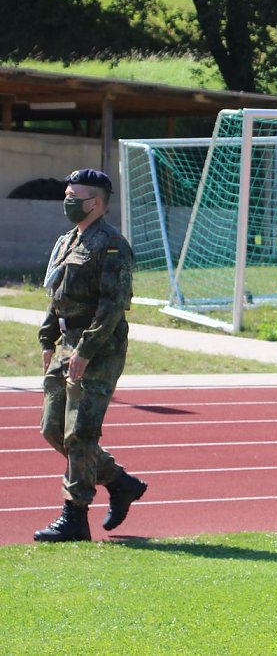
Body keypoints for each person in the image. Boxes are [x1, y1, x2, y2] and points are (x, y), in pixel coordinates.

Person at [34, 169, 147, 542]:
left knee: (79, 433)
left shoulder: (111, 244)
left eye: (75, 196)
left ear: (95, 203)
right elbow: (57, 295)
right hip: (67, 344)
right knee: (53, 429)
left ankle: (74, 517)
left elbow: (114, 305)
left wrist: (85, 350)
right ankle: (119, 481)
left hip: (98, 348)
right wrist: (48, 339)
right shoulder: (68, 240)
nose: (68, 201)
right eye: (67, 194)